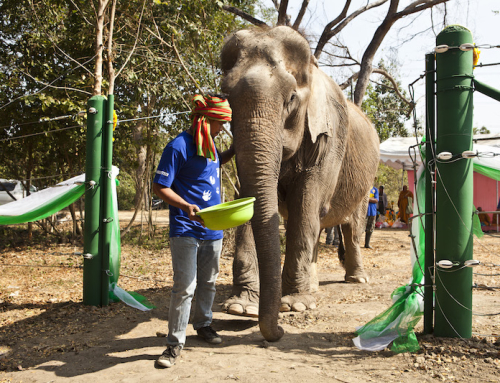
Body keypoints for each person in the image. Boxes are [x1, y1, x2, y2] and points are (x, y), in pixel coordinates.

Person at [153, 94, 235, 369]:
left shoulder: (209, 144)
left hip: (213, 228)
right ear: (204, 120)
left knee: (209, 282)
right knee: (184, 287)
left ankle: (203, 324)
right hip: (185, 228)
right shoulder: (178, 146)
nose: (222, 128)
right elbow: (159, 186)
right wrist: (184, 205)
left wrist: (233, 151)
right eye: (220, 123)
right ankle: (174, 345)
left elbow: (209, 168)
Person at [365, 183, 379, 249]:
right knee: (360, 228)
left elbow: (376, 200)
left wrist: (367, 199)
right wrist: (371, 199)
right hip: (364, 212)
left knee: (370, 228)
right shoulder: (364, 188)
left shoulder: (375, 189)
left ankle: (367, 244)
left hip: (372, 212)